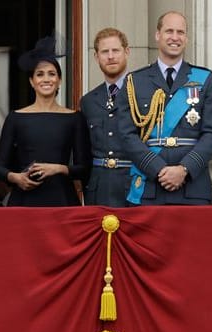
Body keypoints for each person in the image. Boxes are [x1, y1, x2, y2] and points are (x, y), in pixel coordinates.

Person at [115, 11, 212, 205]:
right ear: (158, 35)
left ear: (186, 38)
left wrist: (184, 169)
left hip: (192, 187)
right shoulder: (135, 81)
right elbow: (126, 134)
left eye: (180, 32)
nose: (175, 37)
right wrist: (157, 169)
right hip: (149, 186)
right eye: (169, 31)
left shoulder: (206, 79)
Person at [0, 36, 91, 206]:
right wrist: (16, 178)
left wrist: (58, 168)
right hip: (24, 201)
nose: (46, 79)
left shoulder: (74, 118)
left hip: (62, 201)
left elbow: (84, 168)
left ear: (59, 80)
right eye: (40, 74)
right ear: (32, 81)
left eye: (52, 74)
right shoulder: (16, 117)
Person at [80, 28, 131, 207]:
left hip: (134, 186)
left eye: (115, 50)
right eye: (104, 52)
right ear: (96, 57)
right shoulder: (88, 101)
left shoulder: (143, 93)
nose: (110, 56)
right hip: (99, 189)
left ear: (126, 52)